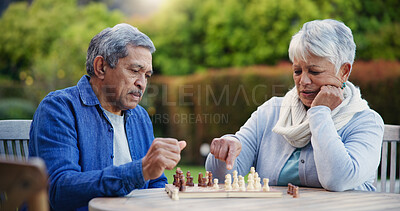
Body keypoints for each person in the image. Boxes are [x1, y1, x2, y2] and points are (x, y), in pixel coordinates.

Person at [205, 19, 384, 192]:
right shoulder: (271, 111)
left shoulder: (367, 122)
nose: (303, 81)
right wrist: (226, 150)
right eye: (297, 71)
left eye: (314, 71)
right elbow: (220, 178)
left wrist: (320, 113)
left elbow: (338, 180)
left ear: (344, 71)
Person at [29, 23, 186, 211]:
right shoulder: (59, 108)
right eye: (135, 71)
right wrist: (140, 170)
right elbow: (60, 190)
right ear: (101, 67)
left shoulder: (140, 117)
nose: (142, 83)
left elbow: (155, 182)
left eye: (147, 75)